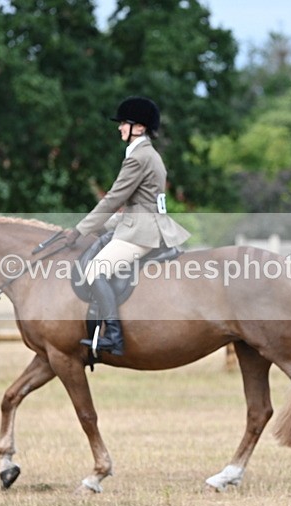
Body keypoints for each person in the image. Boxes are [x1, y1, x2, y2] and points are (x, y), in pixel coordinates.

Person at [64, 96, 191, 355]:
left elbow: (114, 199)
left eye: (124, 123)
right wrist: (102, 225)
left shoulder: (139, 157)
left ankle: (113, 335)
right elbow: (136, 205)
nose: (119, 128)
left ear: (140, 128)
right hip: (145, 222)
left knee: (95, 271)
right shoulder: (148, 154)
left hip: (142, 231)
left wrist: (81, 229)